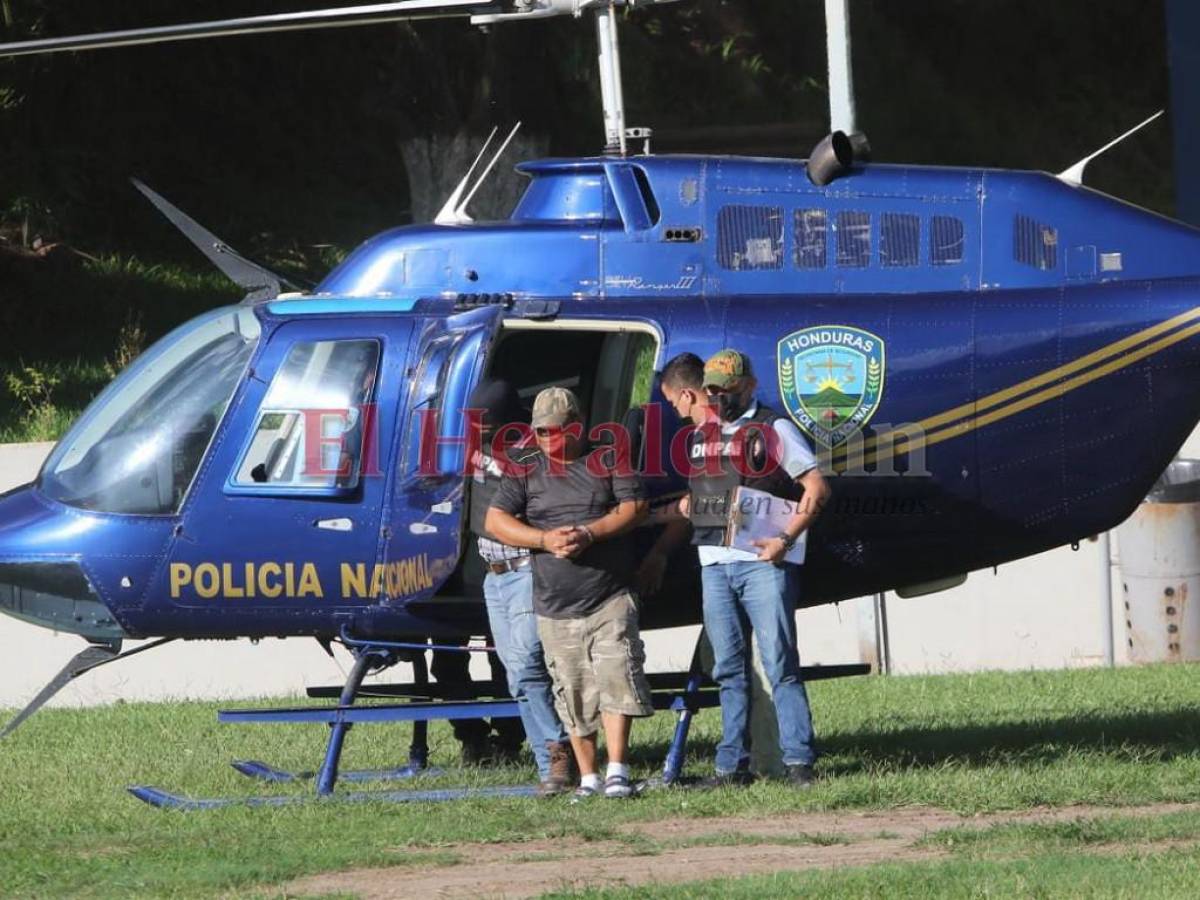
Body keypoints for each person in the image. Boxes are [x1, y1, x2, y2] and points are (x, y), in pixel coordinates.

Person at [658, 349, 830, 787]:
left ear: (749, 385)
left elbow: (815, 487)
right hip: (714, 563)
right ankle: (731, 767)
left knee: (779, 663)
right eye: (713, 389)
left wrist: (785, 539)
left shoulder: (774, 428)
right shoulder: (700, 435)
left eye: (728, 389)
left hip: (762, 564)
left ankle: (799, 763)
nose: (720, 396)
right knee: (729, 670)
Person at [485, 386, 653, 800]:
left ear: (576, 426)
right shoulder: (524, 463)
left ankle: (617, 771)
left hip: (608, 592)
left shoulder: (608, 456)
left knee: (617, 677)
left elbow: (635, 507)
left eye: (554, 431)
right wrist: (543, 540)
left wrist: (589, 533)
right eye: (540, 432)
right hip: (554, 602)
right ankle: (587, 776)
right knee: (573, 690)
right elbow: (495, 519)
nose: (546, 440)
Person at [465, 378, 574, 795]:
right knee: (516, 676)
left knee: (528, 665)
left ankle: (558, 756)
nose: (478, 430)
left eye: (485, 424)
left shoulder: (531, 456)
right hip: (494, 573)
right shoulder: (478, 449)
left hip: (527, 568)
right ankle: (548, 761)